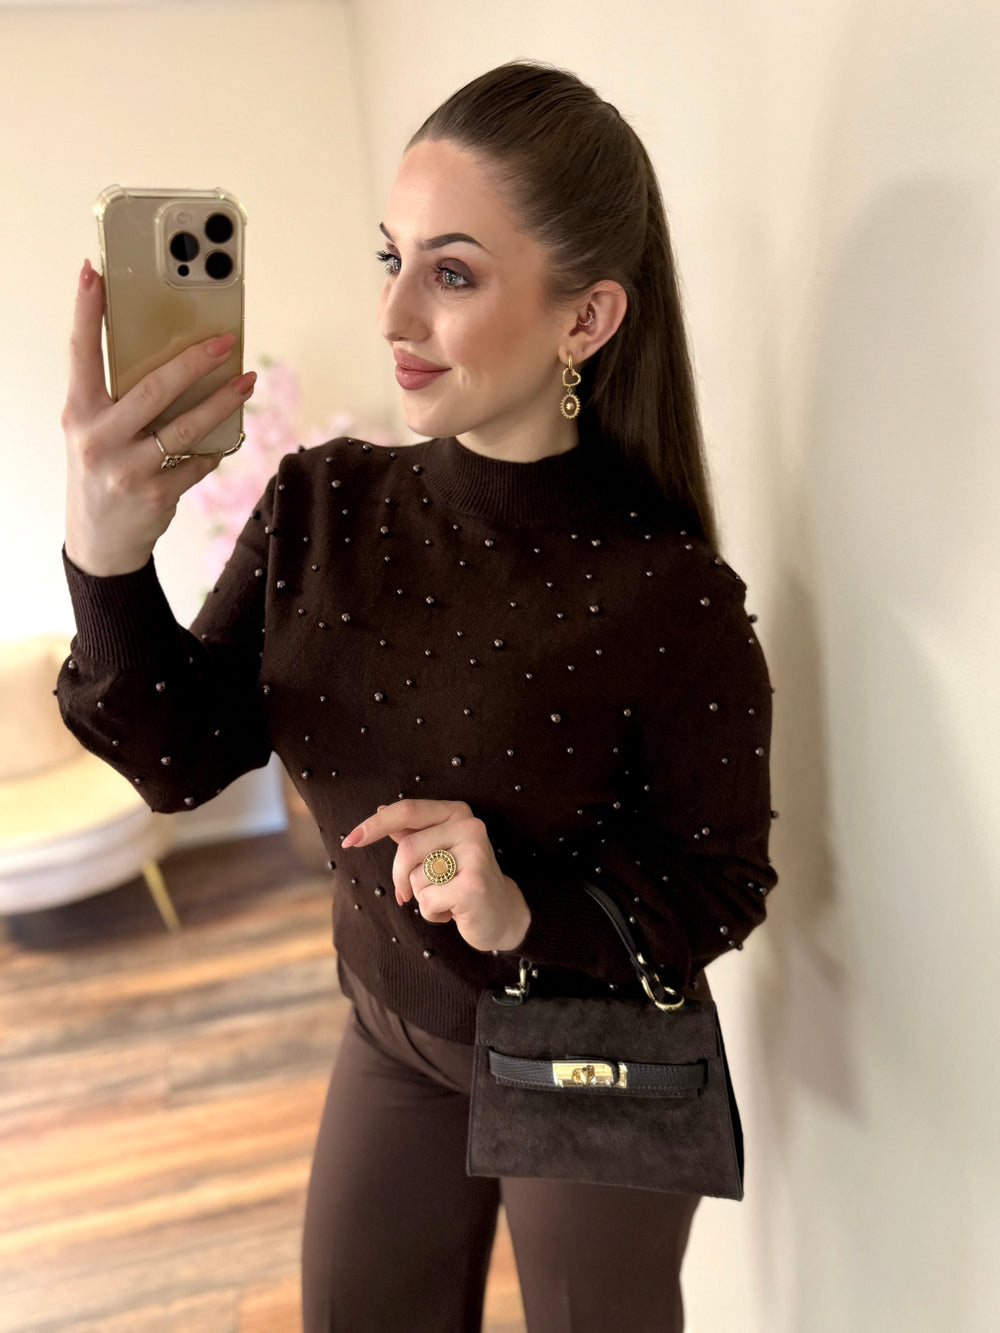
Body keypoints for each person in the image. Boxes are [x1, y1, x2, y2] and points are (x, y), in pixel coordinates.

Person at [57, 59, 777, 1333]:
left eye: (451, 273)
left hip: (587, 1047)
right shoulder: (321, 501)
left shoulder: (670, 595)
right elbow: (182, 757)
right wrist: (106, 562)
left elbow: (724, 882)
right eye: (389, 257)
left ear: (585, 320)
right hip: (390, 1026)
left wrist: (520, 907)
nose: (394, 310)